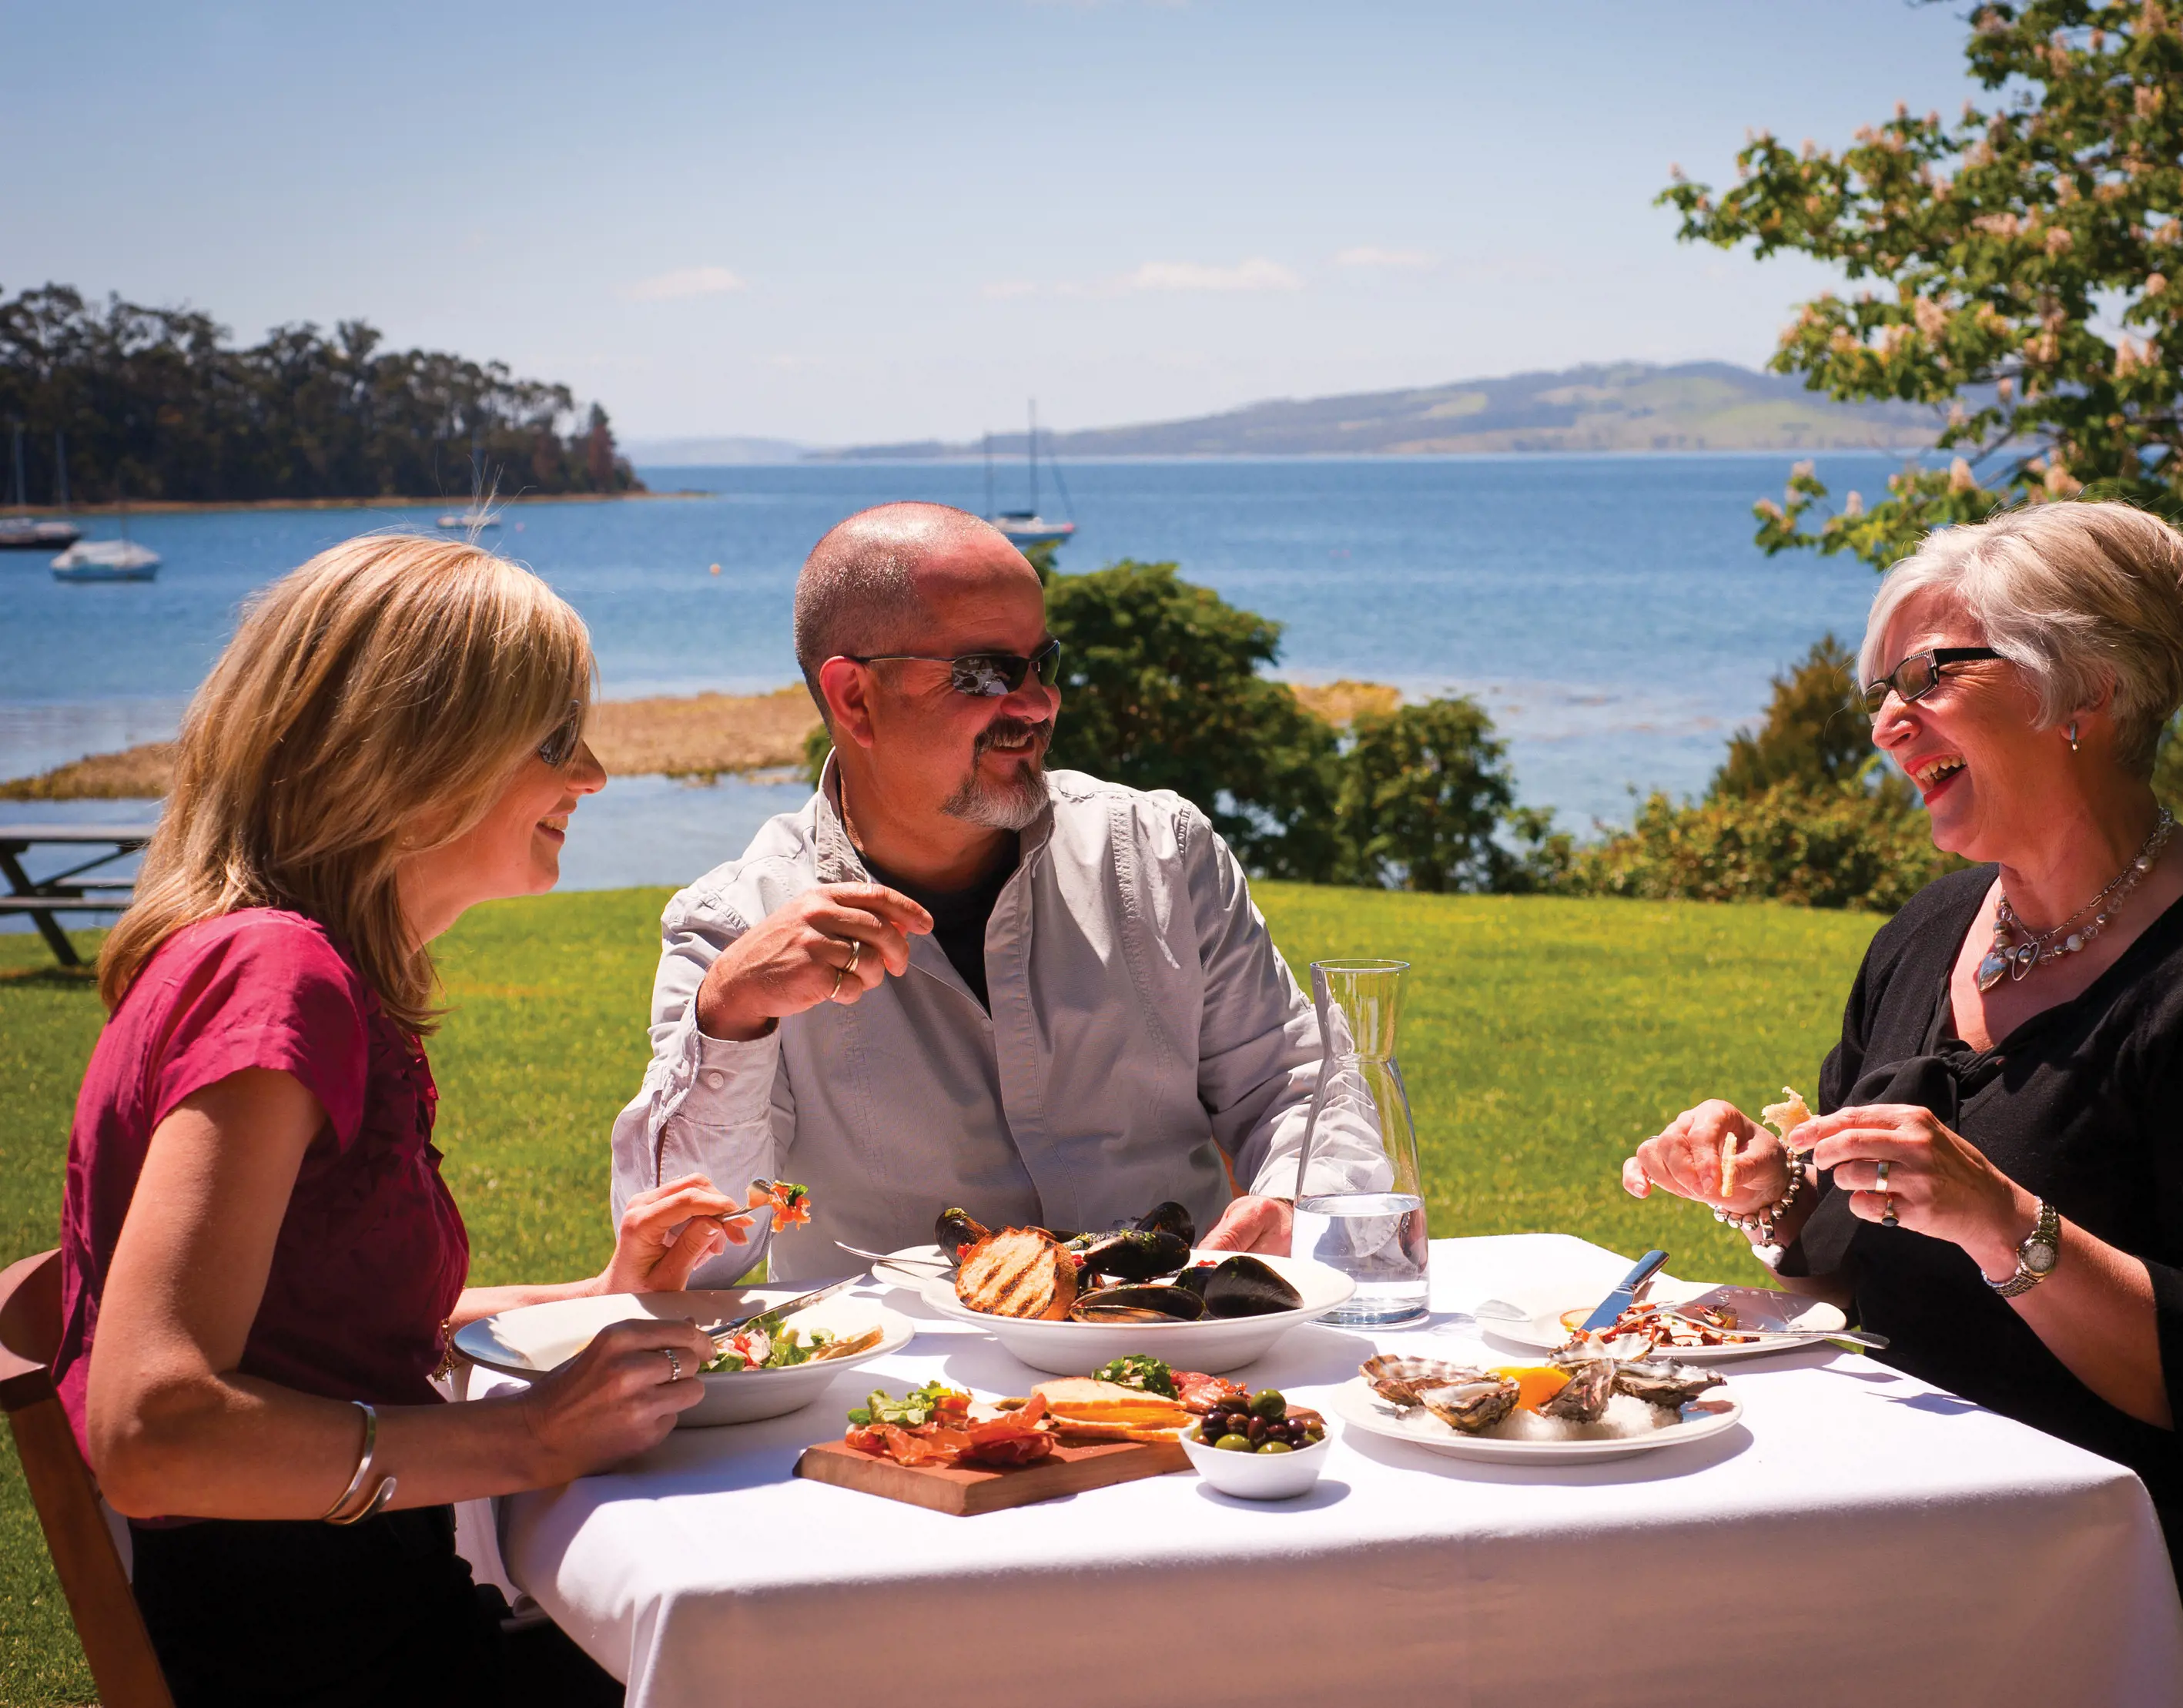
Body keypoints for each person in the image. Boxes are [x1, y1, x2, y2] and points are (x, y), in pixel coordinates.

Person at [1619, 501, 2183, 1708]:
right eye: (1878, 687)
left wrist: (2002, 1222)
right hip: (1947, 1485)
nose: (1885, 720)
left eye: (1930, 672)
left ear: (2083, 688)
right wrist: (1775, 1185)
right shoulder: (1931, 930)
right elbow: (1852, 1252)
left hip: (2168, 1551)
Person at [58, 536, 752, 1708]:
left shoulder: (298, 971)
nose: (589, 772)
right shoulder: (277, 975)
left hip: (365, 1626)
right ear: (410, 753)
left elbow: (309, 1330)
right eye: (548, 738)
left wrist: (591, 1296)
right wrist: (527, 1438)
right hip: (332, 1659)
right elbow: (155, 1429)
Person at [610, 502, 1359, 1280]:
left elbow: (1292, 1083)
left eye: (1043, 664)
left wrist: (1294, 1203)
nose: (1037, 703)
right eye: (987, 673)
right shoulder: (735, 927)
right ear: (855, 698)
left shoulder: (1162, 852)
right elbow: (688, 1266)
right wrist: (728, 1018)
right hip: (898, 1392)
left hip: (1172, 1368)